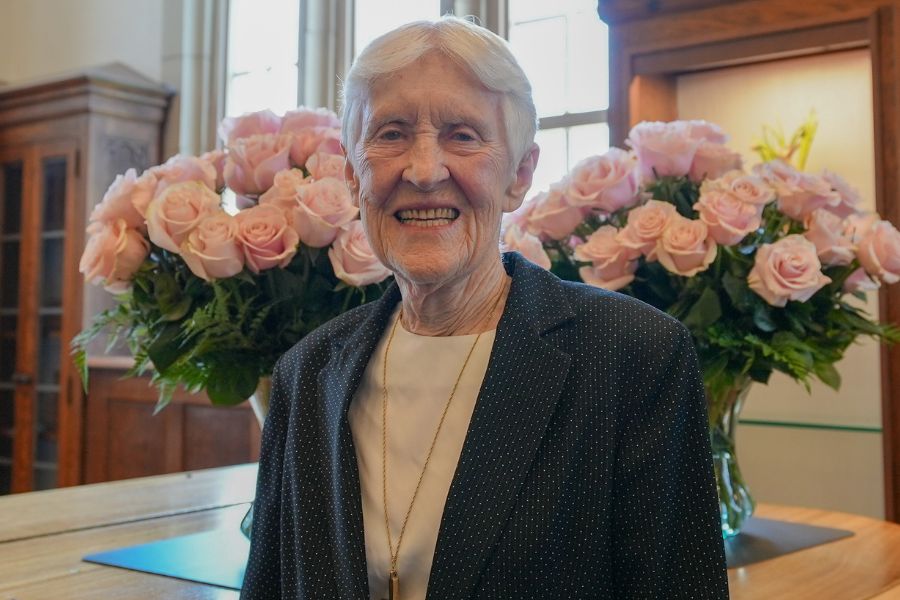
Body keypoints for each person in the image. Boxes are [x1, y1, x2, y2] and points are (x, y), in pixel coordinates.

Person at [241, 16, 728, 600]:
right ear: (353, 174)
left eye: (463, 136)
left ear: (519, 175)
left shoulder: (632, 356)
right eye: (391, 134)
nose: (423, 170)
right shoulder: (307, 374)